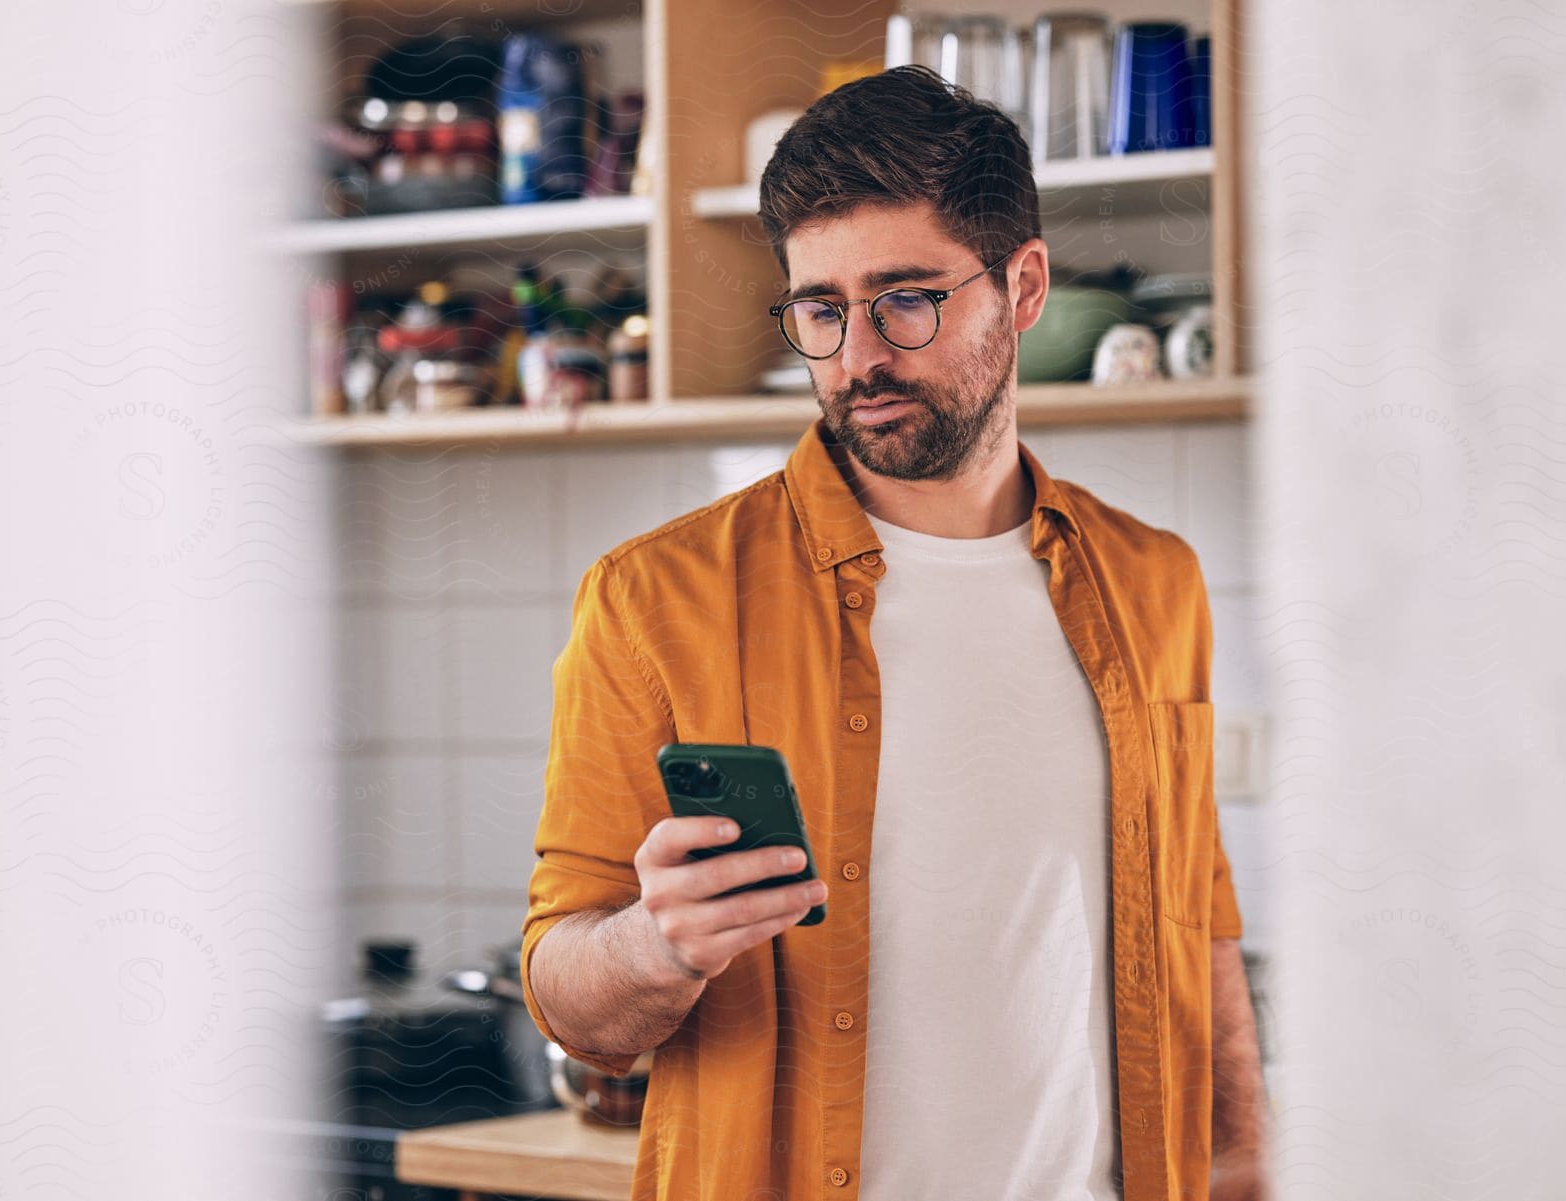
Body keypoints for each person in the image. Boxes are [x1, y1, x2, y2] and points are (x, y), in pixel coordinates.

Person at [520, 65, 1266, 1201]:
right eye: (821, 309)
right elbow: (570, 994)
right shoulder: (654, 599)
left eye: (906, 298)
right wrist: (655, 943)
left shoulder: (1155, 583)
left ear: (1021, 287)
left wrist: (1251, 1167)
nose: (859, 355)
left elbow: (1201, 933)